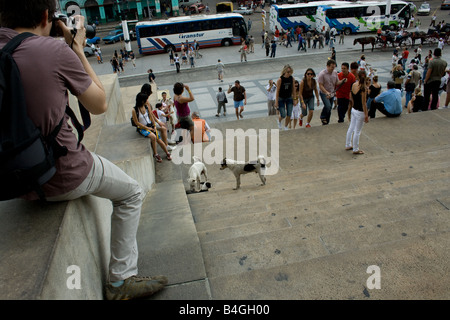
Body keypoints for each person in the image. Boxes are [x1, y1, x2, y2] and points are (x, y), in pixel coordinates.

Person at [0, 0, 167, 299]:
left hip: (10, 178)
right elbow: (99, 104)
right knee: (130, 192)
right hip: (62, 173)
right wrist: (76, 48)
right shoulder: (53, 51)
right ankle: (121, 280)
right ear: (46, 16)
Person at [132, 94, 172, 162]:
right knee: (153, 137)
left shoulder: (146, 107)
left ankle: (167, 153)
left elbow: (151, 116)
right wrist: (147, 128)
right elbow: (136, 122)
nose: (147, 101)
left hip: (150, 125)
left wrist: (154, 125)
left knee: (158, 139)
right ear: (141, 101)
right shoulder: (134, 110)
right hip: (142, 128)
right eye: (145, 100)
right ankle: (155, 154)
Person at [345, 70, 369, 155]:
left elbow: (351, 98)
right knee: (357, 131)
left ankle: (348, 144)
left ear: (357, 76)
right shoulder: (364, 88)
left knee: (351, 128)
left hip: (354, 109)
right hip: (360, 112)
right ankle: (355, 148)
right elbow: (364, 103)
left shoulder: (354, 85)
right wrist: (366, 115)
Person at [318, 59, 347, 125]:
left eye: (334, 67)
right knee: (328, 106)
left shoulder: (335, 73)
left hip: (332, 92)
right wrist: (326, 92)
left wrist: (342, 81)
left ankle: (326, 121)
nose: (333, 69)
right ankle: (322, 116)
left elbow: (337, 83)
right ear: (327, 66)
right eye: (332, 67)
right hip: (324, 92)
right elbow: (320, 85)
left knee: (329, 108)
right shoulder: (322, 74)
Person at [275, 64, 295, 130]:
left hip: (289, 97)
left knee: (289, 113)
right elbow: (277, 91)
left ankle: (285, 126)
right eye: (288, 72)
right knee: (283, 114)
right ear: (284, 72)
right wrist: (276, 101)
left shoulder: (292, 78)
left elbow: (293, 89)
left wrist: (294, 99)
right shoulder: (280, 80)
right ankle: (279, 121)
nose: (289, 74)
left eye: (290, 72)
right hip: (281, 98)